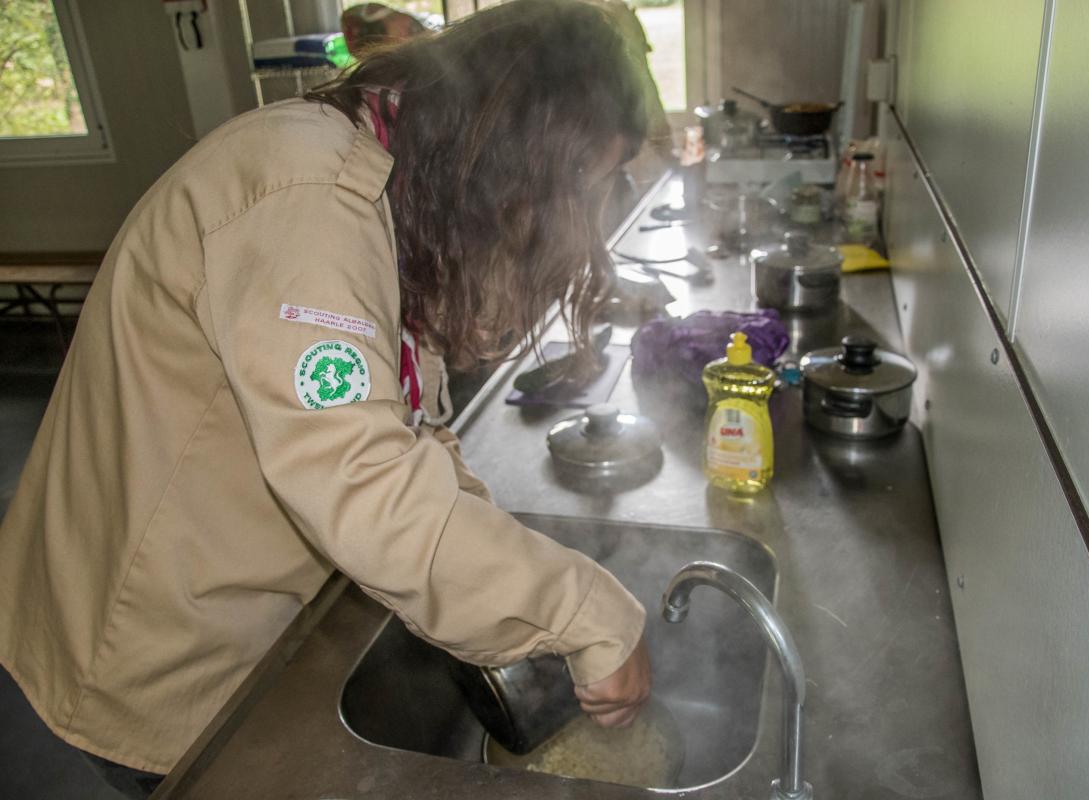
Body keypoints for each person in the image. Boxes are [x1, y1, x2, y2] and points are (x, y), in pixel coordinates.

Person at [0, 1, 652, 797]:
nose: (577, 222)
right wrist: (587, 612)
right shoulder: (308, 199)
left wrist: (509, 564)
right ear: (517, 151)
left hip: (236, 597)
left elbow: (408, 424)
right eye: (581, 184)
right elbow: (364, 484)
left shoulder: (401, 184)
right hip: (152, 645)